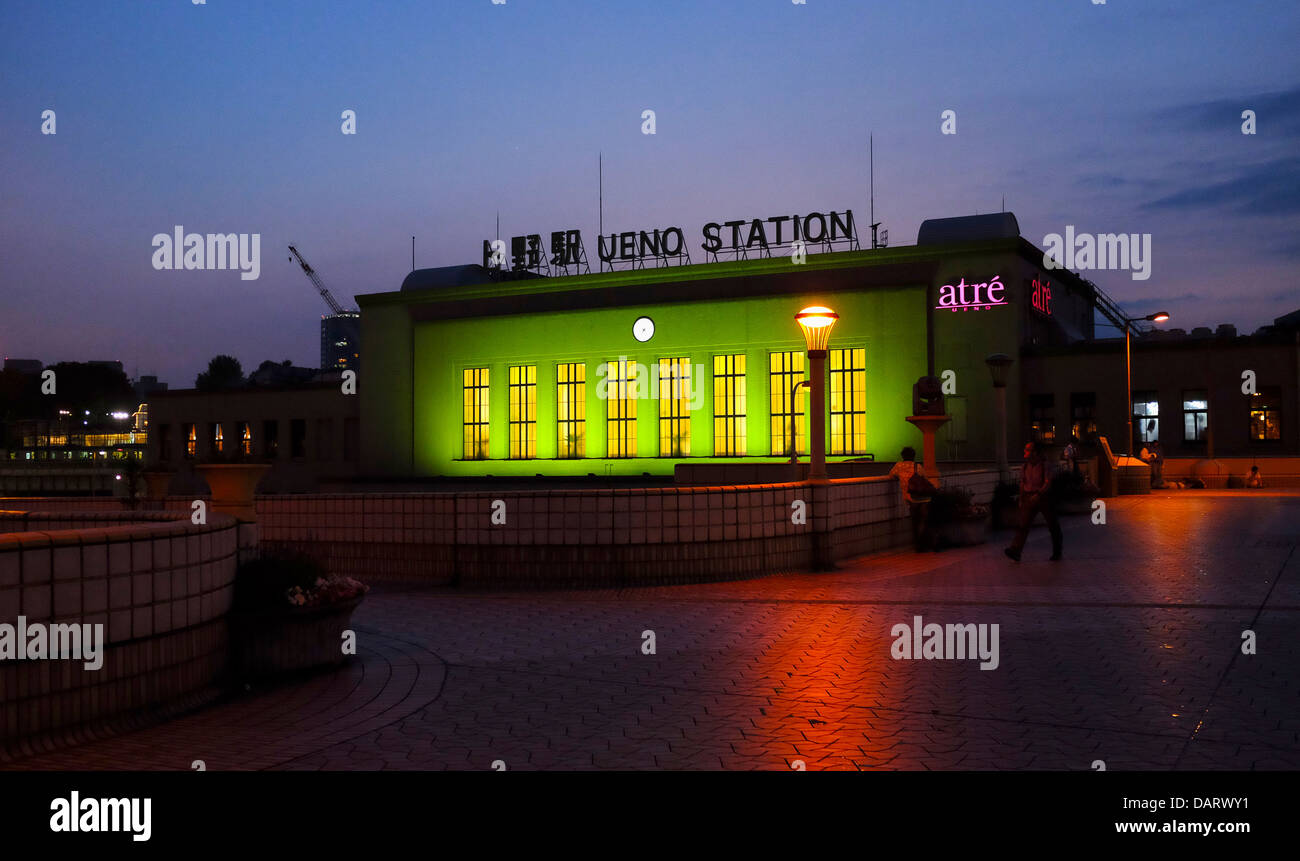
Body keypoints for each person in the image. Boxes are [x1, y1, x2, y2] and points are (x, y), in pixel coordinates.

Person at [1004, 440, 1062, 562]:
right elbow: (1022, 483)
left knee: (1052, 525)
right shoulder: (1025, 467)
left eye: (1027, 450)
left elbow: (1048, 482)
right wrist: (1021, 498)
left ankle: (1057, 551)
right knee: (1023, 524)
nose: (1025, 452)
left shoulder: (1045, 465)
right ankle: (1015, 550)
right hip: (1028, 496)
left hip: (1043, 497)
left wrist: (1039, 494)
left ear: (1035, 452)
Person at [888, 446, 934, 551]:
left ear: (902, 456)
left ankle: (917, 544)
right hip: (923, 497)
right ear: (913, 456)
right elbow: (925, 479)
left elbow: (891, 476)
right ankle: (923, 543)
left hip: (910, 497)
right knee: (923, 520)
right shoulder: (918, 466)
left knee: (915, 521)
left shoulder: (898, 466)